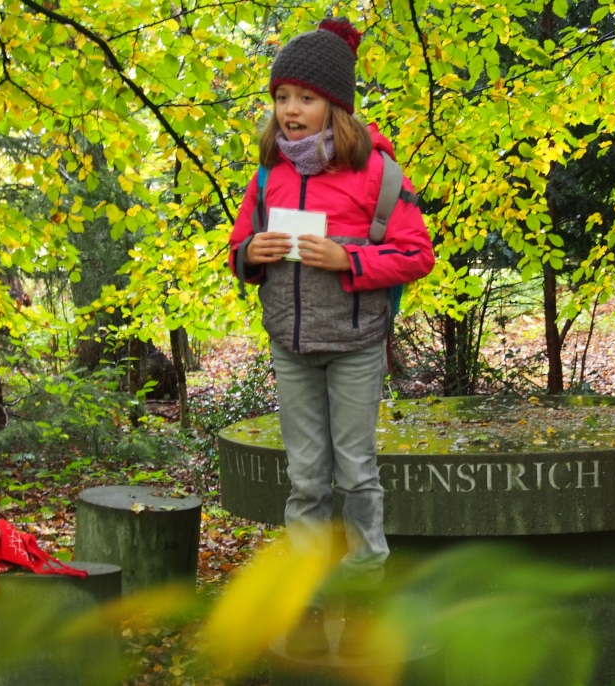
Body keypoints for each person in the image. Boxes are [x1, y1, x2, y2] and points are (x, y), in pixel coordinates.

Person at [228, 17, 435, 654]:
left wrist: (347, 260)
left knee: (356, 477)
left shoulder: (377, 174)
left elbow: (417, 253)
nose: (291, 111)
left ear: (335, 105)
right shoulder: (268, 176)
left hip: (354, 346)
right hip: (290, 347)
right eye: (281, 98)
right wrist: (249, 253)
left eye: (306, 98)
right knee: (307, 482)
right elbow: (238, 248)